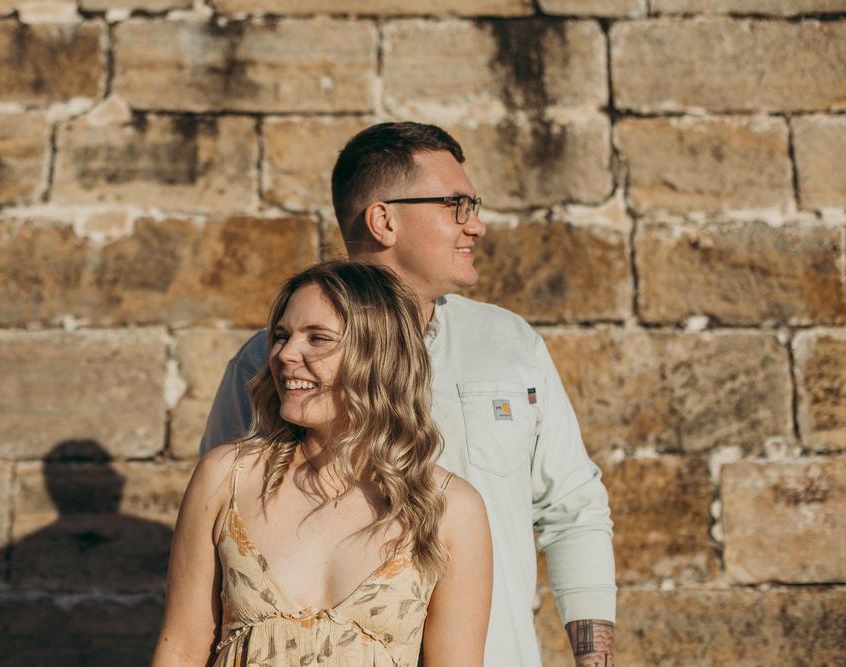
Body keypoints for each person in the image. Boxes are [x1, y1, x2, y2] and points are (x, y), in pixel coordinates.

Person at [200, 122, 617, 666]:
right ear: (384, 220)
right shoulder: (271, 364)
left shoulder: (509, 344)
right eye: (457, 205)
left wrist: (594, 660)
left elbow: (574, 510)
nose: (476, 225)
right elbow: (218, 533)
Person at [154, 261, 493, 666]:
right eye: (282, 336)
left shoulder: (449, 508)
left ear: (379, 356)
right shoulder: (227, 477)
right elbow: (180, 651)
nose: (284, 354)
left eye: (318, 338)